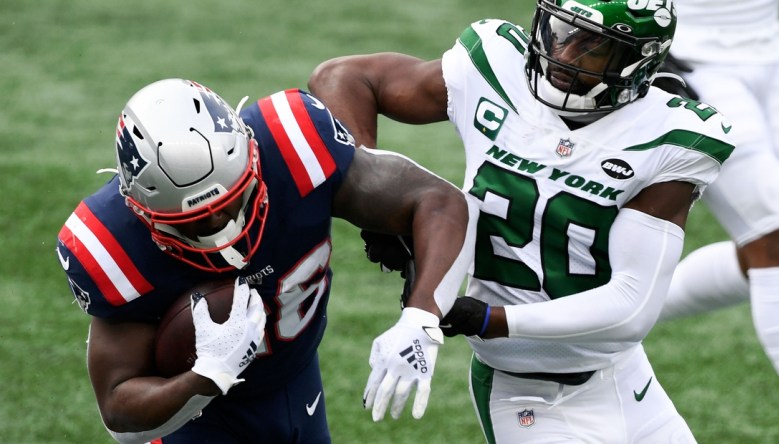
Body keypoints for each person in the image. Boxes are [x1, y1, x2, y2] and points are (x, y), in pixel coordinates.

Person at [309, 0, 736, 441]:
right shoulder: (497, 66)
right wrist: (378, 210)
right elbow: (342, 78)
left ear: (636, 62)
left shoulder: (667, 135)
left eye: (593, 47)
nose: (563, 55)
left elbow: (630, 305)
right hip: (522, 394)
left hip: (625, 379)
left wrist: (488, 318)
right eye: (560, 31)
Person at [55, 78, 477, 443]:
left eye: (234, 199)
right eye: (195, 222)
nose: (223, 226)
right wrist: (206, 377)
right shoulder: (112, 242)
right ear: (142, 210)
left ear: (251, 154)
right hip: (198, 418)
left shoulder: (292, 143)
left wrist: (421, 317)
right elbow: (119, 414)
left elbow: (441, 202)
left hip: (296, 377)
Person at [652, 0, 779, 390]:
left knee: (768, 249)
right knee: (776, 236)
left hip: (768, 52)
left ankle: (596, 319)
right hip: (690, 55)